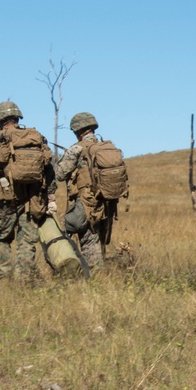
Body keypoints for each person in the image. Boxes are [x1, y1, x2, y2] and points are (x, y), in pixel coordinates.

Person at [0, 100, 57, 282]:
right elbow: (49, 171)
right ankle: (25, 279)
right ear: (17, 117)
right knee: (27, 240)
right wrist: (50, 196)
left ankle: (4, 281)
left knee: (2, 239)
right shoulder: (34, 139)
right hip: (32, 199)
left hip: (4, 198)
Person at [54, 112, 128, 272]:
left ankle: (96, 279)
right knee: (101, 239)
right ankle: (103, 273)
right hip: (108, 201)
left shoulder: (77, 149)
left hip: (88, 202)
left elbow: (59, 174)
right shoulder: (108, 147)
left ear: (78, 131)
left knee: (89, 240)